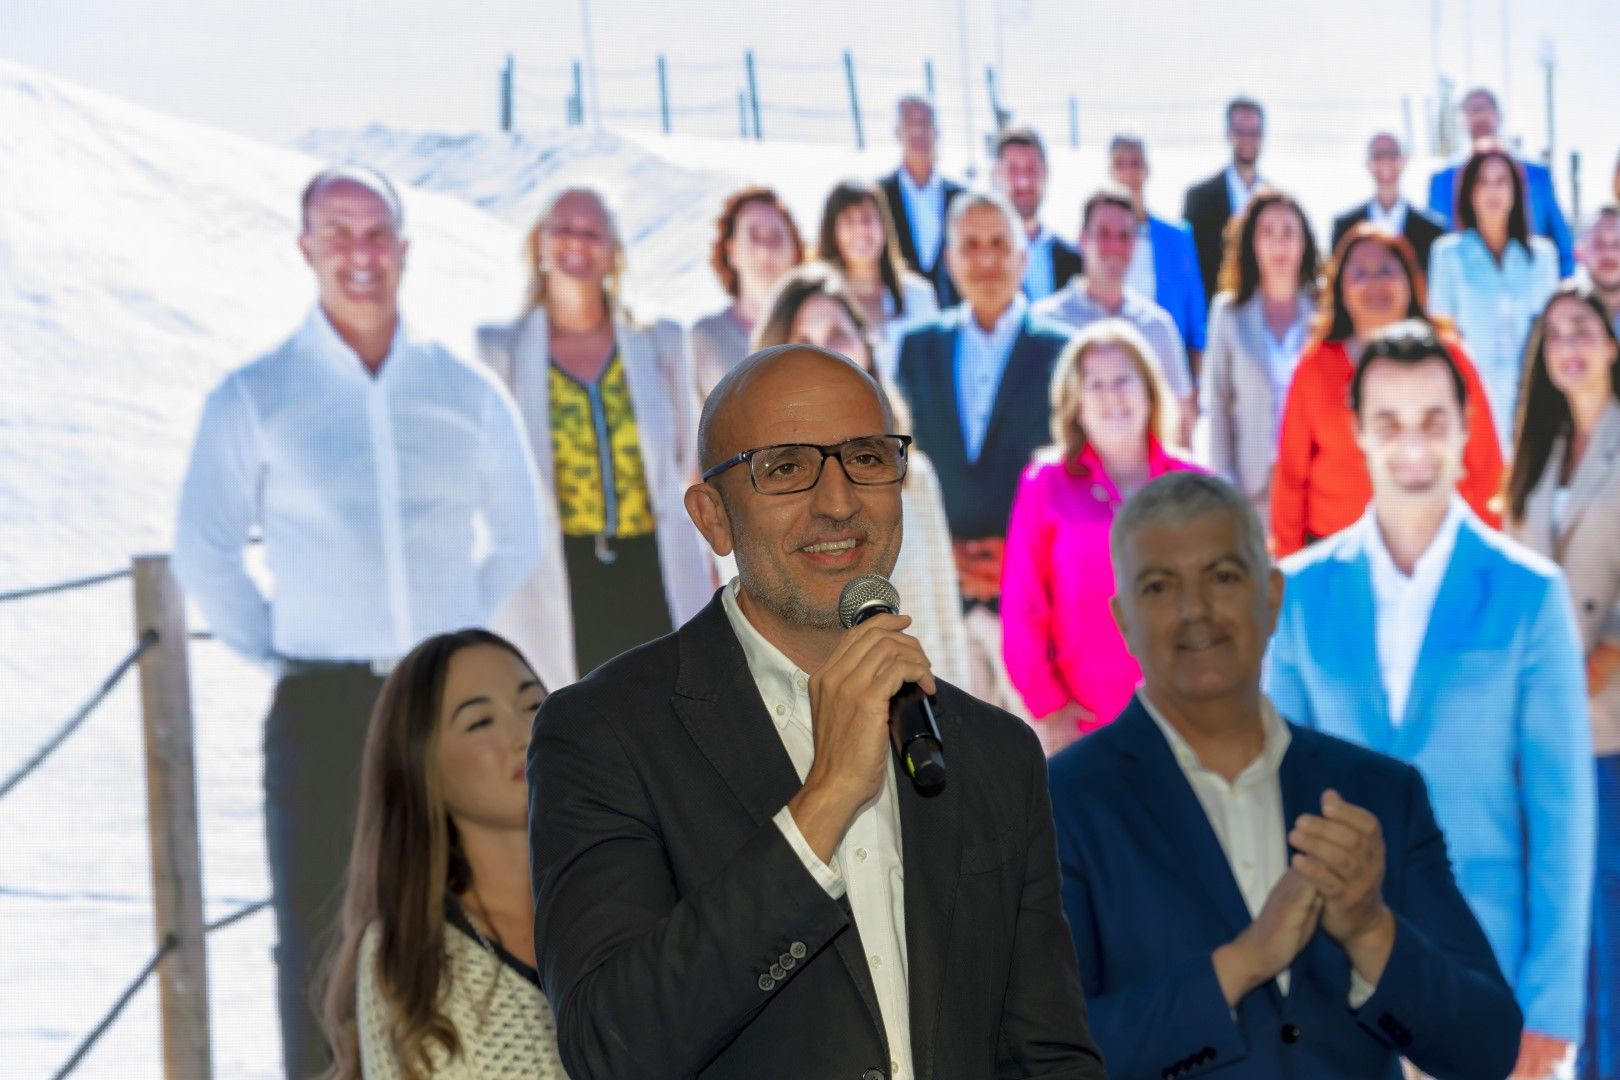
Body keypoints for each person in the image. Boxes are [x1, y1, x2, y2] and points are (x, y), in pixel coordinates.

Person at [528, 343, 1107, 1079]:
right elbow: (611, 1049)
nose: (838, 501)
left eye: (867, 457)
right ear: (712, 519)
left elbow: (1047, 1056)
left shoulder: (991, 750)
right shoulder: (604, 732)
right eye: (785, 467)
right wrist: (824, 800)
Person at [171, 166, 546, 1079]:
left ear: (405, 249)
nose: (359, 253)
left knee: (480, 921)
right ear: (306, 249)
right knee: (319, 947)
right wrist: (288, 652)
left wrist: (452, 643)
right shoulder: (255, 396)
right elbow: (206, 551)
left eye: (376, 232)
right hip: (324, 709)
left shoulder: (461, 391)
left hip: (446, 714)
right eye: (336, 234)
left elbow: (519, 533)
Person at [1049, 470, 1522, 1078]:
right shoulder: (1061, 801)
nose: (1195, 612)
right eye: (1160, 586)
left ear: (1272, 597)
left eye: (1222, 577)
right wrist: (1239, 965)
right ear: (1123, 621)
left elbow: (1486, 1049)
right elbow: (1051, 1059)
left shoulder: (1378, 794)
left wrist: (1370, 931)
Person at [1268, 320, 1596, 1079]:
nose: (1413, 447)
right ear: (1356, 431)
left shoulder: (1530, 595)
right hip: (1337, 978)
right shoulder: (1300, 594)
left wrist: (1548, 1006)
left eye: (1432, 422)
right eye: (1390, 423)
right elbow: (1276, 799)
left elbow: (1560, 813)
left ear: (1465, 427)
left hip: (1488, 973)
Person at [476, 185, 715, 693]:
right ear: (539, 244)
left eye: (591, 232)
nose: (575, 243)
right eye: (562, 228)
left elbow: (690, 464)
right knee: (577, 734)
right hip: (558, 578)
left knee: (670, 725)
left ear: (613, 254)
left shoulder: (660, 343)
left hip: (654, 568)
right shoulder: (502, 351)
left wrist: (713, 568)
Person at [320, 630, 564, 1079]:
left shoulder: (629, 892)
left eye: (532, 704)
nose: (522, 733)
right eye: (480, 722)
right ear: (421, 767)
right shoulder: (406, 954)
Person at [1502, 285, 1620, 1080]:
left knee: (1610, 922)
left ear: (1613, 345)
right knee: (1561, 926)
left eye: (1584, 329)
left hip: (1609, 719)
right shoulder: (1538, 449)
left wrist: (1598, 661)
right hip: (1544, 727)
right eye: (1554, 335)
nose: (1568, 344)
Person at [752, 262, 971, 689]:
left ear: (865, 346)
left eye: (837, 335)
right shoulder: (756, 492)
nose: (826, 355)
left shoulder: (914, 476)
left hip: (922, 718)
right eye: (803, 342)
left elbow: (946, 624)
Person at [895, 191, 1072, 714]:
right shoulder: (917, 348)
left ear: (1023, 256)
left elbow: (1071, 467)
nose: (986, 259)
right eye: (970, 245)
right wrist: (946, 557)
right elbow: (906, 461)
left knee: (1034, 755)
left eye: (999, 243)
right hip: (944, 596)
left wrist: (1015, 559)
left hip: (1035, 600)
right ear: (950, 259)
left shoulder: (1062, 350)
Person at [1000, 320, 1198, 756]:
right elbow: (1022, 606)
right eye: (1095, 384)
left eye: (1123, 380)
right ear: (1076, 404)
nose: (1112, 396)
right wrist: (1048, 709)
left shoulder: (1196, 483)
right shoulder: (1044, 484)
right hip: (1085, 726)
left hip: (1191, 717)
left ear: (1149, 390)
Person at [1270, 225, 1503, 556]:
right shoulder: (1314, 366)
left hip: (1442, 555)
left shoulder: (1451, 358)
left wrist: (1484, 559)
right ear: (1340, 288)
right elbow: (1291, 479)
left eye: (1386, 269)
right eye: (1360, 273)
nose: (1375, 282)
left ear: (1410, 279)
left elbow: (1485, 466)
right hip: (1337, 562)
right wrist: (1289, 576)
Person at [1034, 187, 1197, 443]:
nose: (1114, 246)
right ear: (1082, 239)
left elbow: (1181, 422)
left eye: (1124, 236)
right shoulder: (1046, 321)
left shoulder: (1157, 326)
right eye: (1104, 234)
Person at [1427, 144, 1560, 455]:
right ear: (1468, 192)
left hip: (1532, 401)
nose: (1492, 191)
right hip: (1472, 402)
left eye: (1501, 181)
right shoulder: (1447, 254)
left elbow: (1551, 334)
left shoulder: (1542, 256)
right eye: (1482, 182)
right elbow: (1443, 335)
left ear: (1516, 191)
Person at [1201, 188, 1320, 527]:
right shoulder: (1229, 312)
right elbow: (1218, 402)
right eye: (1267, 233)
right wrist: (1223, 481)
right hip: (1250, 485)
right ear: (1252, 243)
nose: (1278, 244)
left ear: (1304, 242)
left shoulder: (1324, 311)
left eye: (1288, 233)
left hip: (1314, 481)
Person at [1427, 87, 1574, 275]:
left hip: (1530, 288)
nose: (1479, 117)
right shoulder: (1442, 180)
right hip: (1468, 291)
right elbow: (1432, 250)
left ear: (1499, 115)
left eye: (1484, 109)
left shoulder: (1537, 174)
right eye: (1472, 110)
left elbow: (1561, 243)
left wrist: (1558, 295)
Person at [815, 179, 940, 382]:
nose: (861, 229)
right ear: (833, 231)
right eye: (849, 221)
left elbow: (936, 368)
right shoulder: (820, 302)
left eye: (867, 218)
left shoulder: (919, 294)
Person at [691, 186, 805, 399]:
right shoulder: (705, 339)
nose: (765, 250)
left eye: (776, 236)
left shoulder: (821, 328)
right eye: (754, 236)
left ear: (795, 250)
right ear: (731, 251)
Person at [1108, 133, 1209, 366]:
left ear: (1147, 169)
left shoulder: (1177, 238)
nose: (1129, 173)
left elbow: (1196, 316)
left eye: (1136, 163)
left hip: (1168, 365)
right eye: (1120, 164)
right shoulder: (1097, 241)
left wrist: (1195, 379)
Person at [879, 95, 966, 307]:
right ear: (897, 131)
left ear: (937, 131)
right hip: (901, 315)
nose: (918, 131)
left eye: (925, 123)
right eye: (910, 123)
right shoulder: (879, 195)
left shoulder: (961, 197)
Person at [1183, 96, 1269, 304]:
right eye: (1241, 132)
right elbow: (1190, 270)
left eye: (1254, 132)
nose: (1247, 139)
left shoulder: (1276, 202)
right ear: (1229, 134)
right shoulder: (1199, 199)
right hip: (1217, 314)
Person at [1330, 132, 1447, 272]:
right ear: (1368, 164)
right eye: (1377, 155)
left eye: (1392, 154)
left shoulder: (1432, 229)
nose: (1385, 162)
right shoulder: (1345, 226)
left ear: (1404, 161)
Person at [992, 126, 1082, 301]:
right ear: (997, 174)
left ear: (1046, 173)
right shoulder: (976, 259)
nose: (1023, 182)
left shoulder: (1075, 259)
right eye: (1013, 169)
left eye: (1031, 169)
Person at [1579, 205, 1620, 335]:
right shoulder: (1562, 318)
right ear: (1580, 253)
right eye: (1598, 243)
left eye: (1617, 243)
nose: (1609, 252)